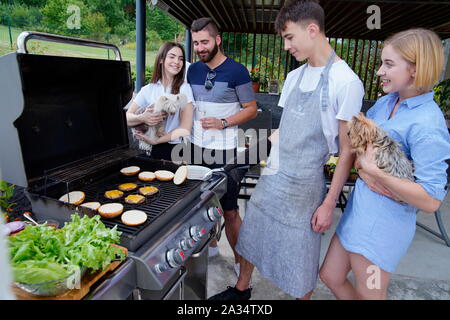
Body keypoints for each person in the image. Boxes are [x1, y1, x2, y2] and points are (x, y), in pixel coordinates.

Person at [209, 0, 365, 300]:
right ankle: (242, 289)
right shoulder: (294, 77)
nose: (285, 46)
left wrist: (329, 203)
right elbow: (283, 132)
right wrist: (243, 159)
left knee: (300, 256)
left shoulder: (345, 81)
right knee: (254, 232)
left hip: (306, 186)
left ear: (312, 29)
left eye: (289, 37)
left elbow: (347, 152)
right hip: (275, 174)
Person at [320, 28, 450, 300]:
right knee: (330, 276)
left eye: (389, 64)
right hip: (358, 213)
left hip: (382, 228)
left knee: (371, 294)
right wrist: (365, 171)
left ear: (415, 69)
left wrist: (375, 172)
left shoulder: (428, 125)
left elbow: (431, 200)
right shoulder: (385, 103)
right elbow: (359, 150)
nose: (379, 71)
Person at [186, 18, 258, 271]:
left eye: (204, 42)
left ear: (218, 40)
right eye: (196, 43)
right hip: (195, 148)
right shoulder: (192, 70)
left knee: (229, 210)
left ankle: (240, 263)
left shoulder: (237, 71)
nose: (200, 47)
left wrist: (224, 122)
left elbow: (251, 109)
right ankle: (211, 249)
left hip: (226, 151)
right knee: (199, 206)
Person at [126, 42, 194, 160]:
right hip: (151, 147)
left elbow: (185, 128)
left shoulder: (185, 89)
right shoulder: (148, 89)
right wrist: (142, 117)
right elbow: (126, 118)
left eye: (180, 59)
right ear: (161, 60)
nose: (177, 62)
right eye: (172, 57)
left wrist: (156, 141)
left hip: (176, 148)